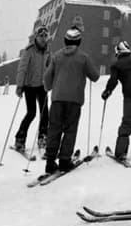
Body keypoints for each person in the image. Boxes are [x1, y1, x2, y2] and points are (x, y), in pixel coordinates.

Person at [42, 27, 100, 173]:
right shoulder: (83, 57)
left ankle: (50, 162)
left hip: (57, 99)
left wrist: (48, 87)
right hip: (74, 99)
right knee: (70, 130)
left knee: (54, 129)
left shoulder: (57, 56)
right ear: (79, 41)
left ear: (65, 40)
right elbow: (95, 76)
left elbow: (47, 78)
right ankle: (64, 160)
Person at [13, 25, 51, 152]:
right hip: (29, 86)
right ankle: (20, 138)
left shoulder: (47, 51)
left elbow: (49, 67)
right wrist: (20, 85)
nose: (43, 39)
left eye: (46, 36)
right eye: (41, 36)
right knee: (31, 113)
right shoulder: (29, 50)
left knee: (45, 113)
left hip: (42, 86)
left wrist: (49, 81)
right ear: (36, 36)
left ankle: (43, 137)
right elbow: (22, 68)